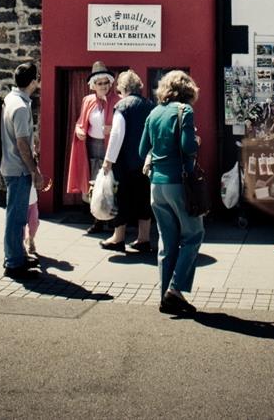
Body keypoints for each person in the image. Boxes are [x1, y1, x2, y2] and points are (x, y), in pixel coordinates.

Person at [139, 70, 205, 315]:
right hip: (180, 183)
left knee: (167, 242)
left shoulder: (154, 112)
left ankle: (166, 295)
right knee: (193, 234)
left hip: (156, 185)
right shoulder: (184, 111)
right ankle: (175, 290)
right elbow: (188, 146)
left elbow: (141, 150)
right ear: (188, 89)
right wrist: (196, 141)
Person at [99, 69, 154, 254]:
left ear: (123, 88)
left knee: (122, 197)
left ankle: (118, 237)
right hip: (145, 161)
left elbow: (116, 134)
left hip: (126, 162)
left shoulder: (122, 106)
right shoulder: (150, 105)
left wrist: (108, 160)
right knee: (144, 199)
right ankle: (144, 239)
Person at [66, 61, 118, 234]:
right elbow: (81, 122)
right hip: (92, 146)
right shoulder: (87, 100)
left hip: (110, 146)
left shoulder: (117, 101)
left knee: (111, 183)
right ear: (93, 85)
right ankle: (97, 220)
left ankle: (113, 222)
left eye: (105, 82)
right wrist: (79, 129)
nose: (103, 86)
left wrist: (113, 129)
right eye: (99, 83)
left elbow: (122, 125)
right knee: (94, 184)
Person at [1, 61, 42, 278]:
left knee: (16, 216)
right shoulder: (20, 106)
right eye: (38, 77)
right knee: (16, 218)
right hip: (18, 169)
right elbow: (22, 144)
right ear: (33, 80)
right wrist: (34, 171)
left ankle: (15, 256)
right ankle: (14, 263)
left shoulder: (11, 99)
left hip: (12, 167)